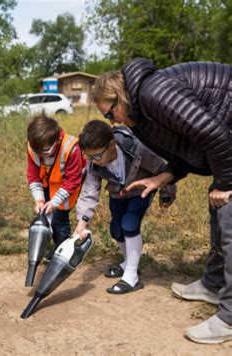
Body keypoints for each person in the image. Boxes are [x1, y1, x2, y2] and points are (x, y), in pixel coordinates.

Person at [92, 58, 231, 343]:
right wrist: (163, 177)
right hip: (225, 140)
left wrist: (227, 183)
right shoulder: (139, 116)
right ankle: (212, 284)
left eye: (110, 113)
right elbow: (186, 147)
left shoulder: (152, 94)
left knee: (229, 213)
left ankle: (229, 318)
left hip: (226, 136)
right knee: (218, 204)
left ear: (120, 97)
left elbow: (211, 133)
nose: (113, 121)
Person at [74, 120, 176, 294]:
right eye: (88, 156)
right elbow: (89, 191)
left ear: (112, 144)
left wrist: (167, 193)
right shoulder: (93, 163)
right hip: (118, 193)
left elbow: (162, 169)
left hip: (141, 189)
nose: (93, 161)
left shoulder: (136, 148)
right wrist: (81, 223)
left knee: (129, 224)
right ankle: (130, 263)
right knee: (116, 229)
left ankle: (131, 277)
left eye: (97, 156)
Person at [26, 113, 85, 257]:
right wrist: (40, 200)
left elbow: (73, 180)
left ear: (57, 140)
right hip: (47, 182)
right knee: (46, 216)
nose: (42, 155)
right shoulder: (35, 146)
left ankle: (63, 251)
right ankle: (53, 246)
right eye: (38, 152)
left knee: (60, 219)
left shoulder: (71, 147)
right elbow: (33, 176)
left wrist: (55, 202)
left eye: (45, 151)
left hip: (67, 185)